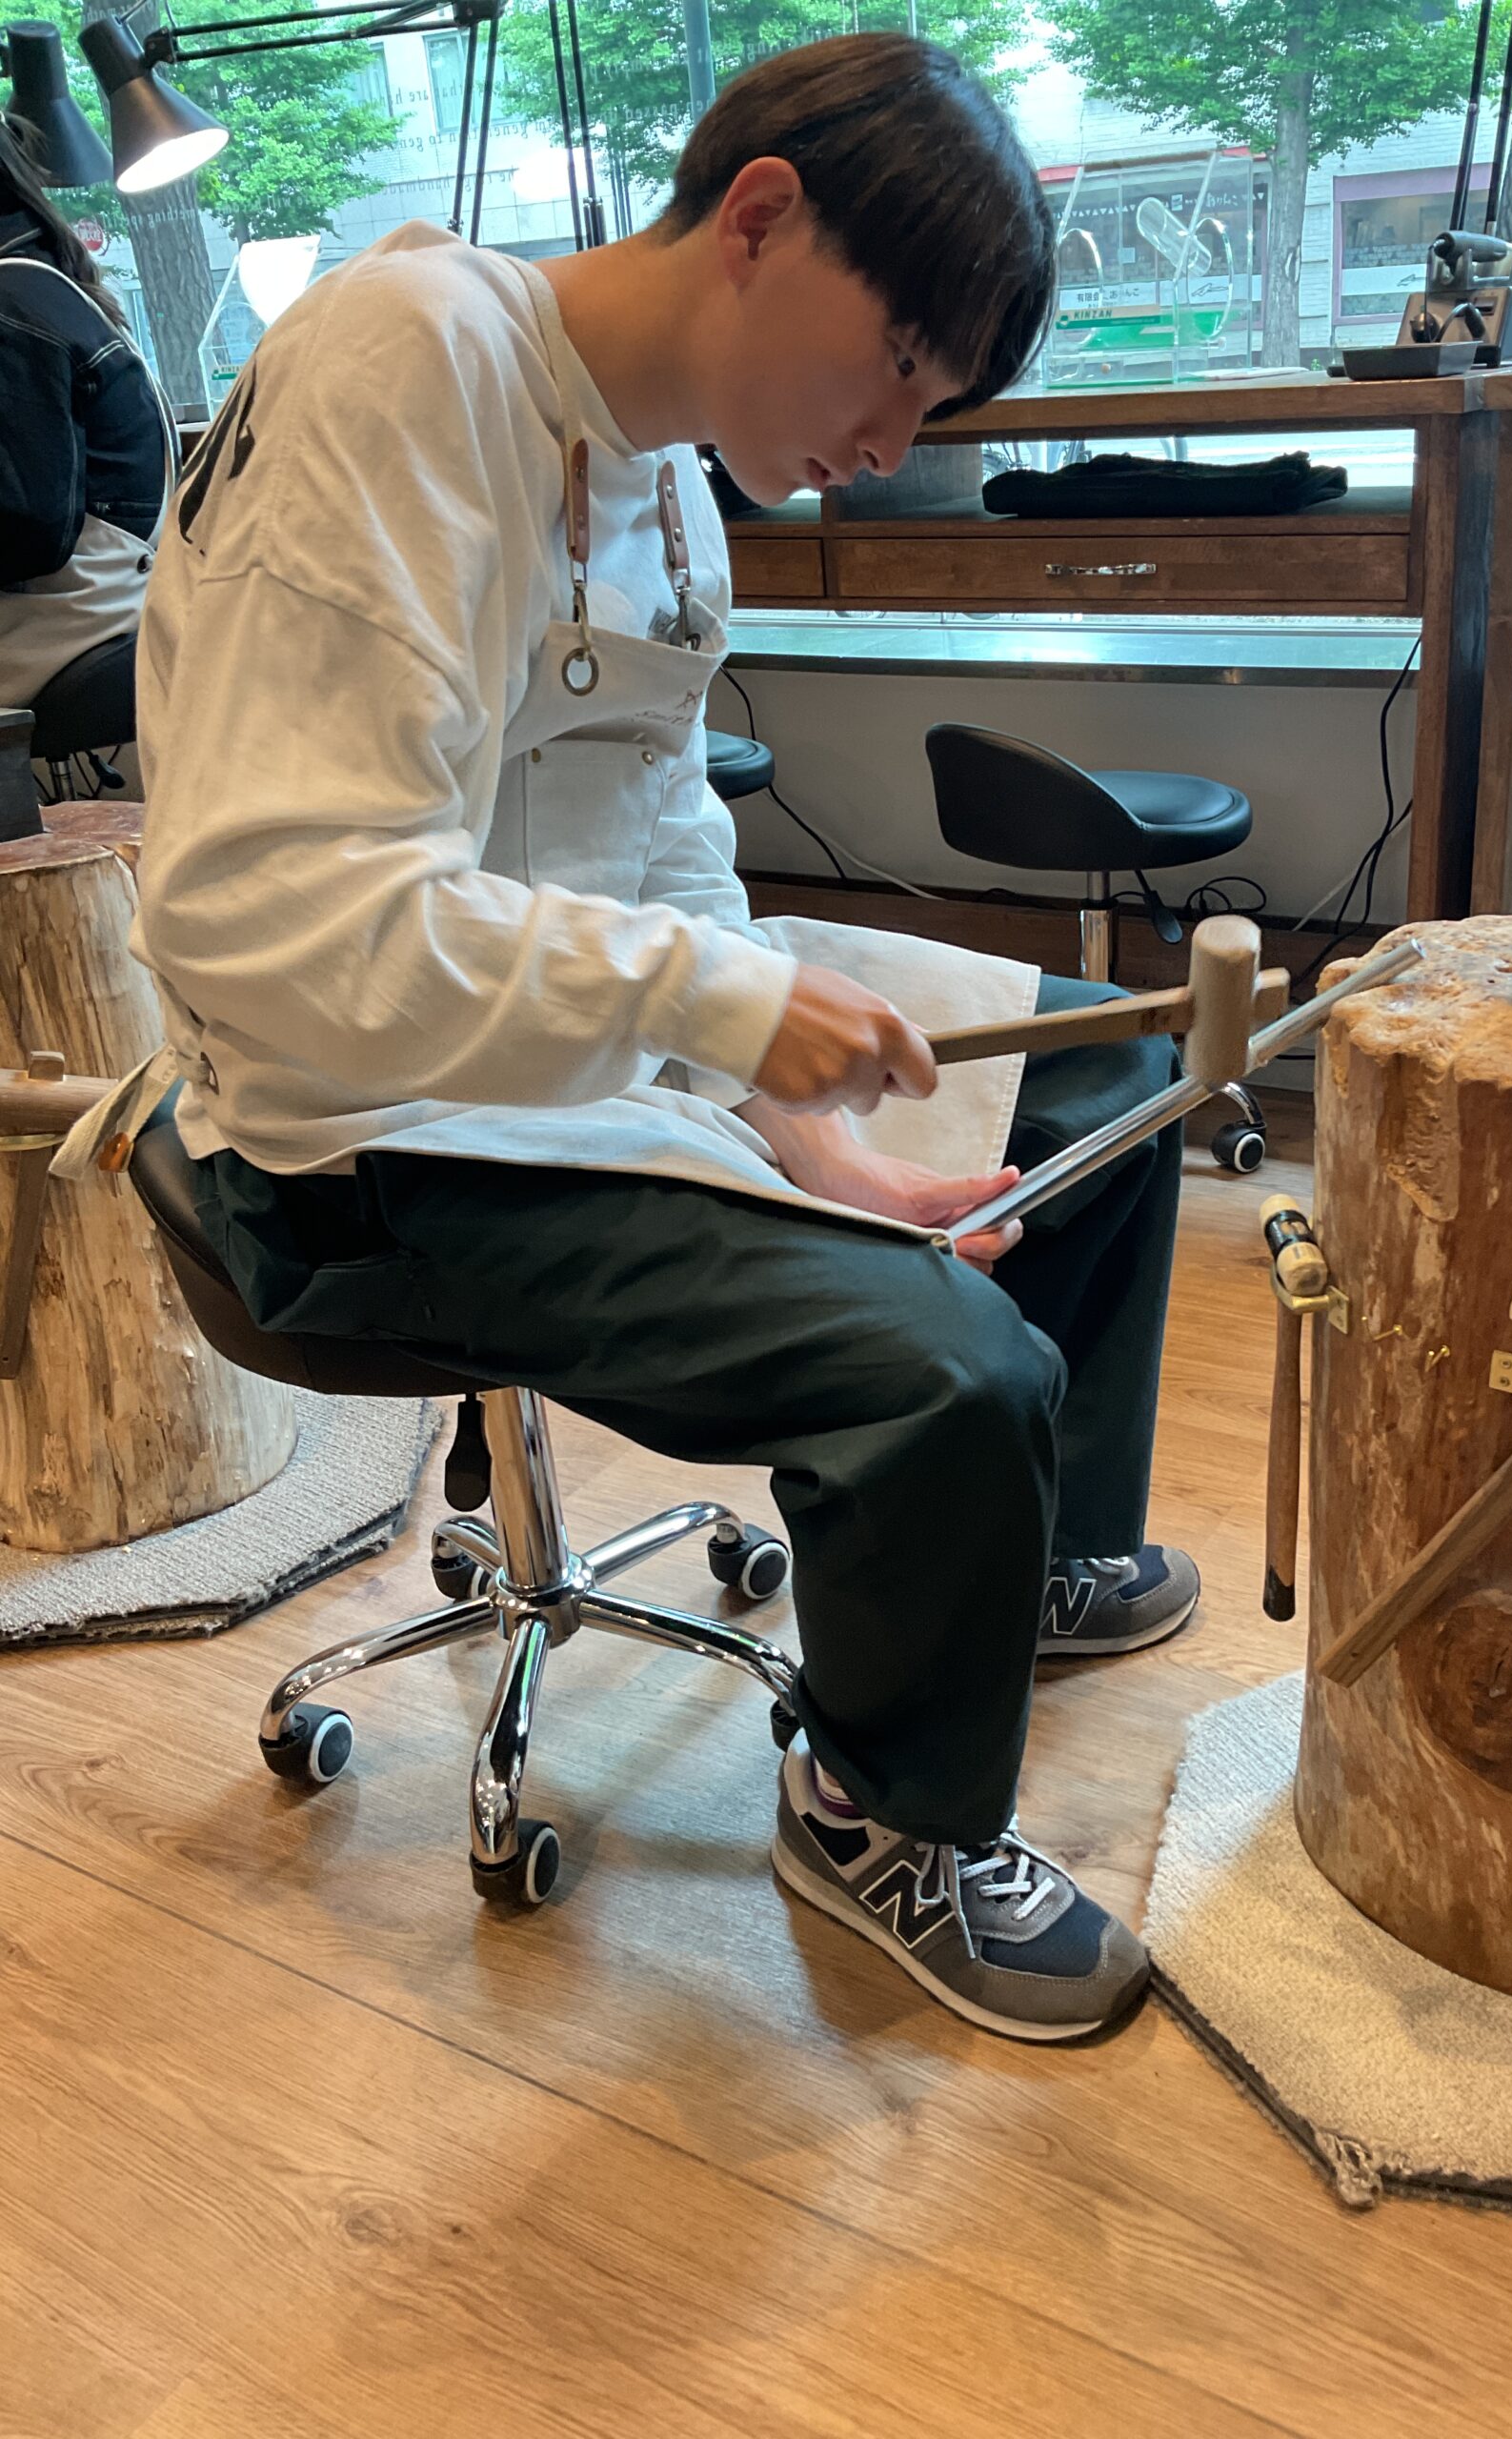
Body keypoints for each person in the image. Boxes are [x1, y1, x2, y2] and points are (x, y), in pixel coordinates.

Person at [114, 35, 1198, 2042]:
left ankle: (1022, 1559)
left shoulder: (676, 493)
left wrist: (807, 1132)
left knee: (1106, 1075)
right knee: (943, 1369)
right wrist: (718, 1013)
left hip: (577, 1054)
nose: (895, 438)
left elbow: (665, 847)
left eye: (935, 406)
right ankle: (879, 1808)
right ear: (761, 219)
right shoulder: (405, 364)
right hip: (362, 1139)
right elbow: (273, 916)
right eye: (899, 367)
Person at [0, 113, 172, 720]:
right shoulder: (39, 286)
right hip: (108, 610)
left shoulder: (11, 305)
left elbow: (30, 532)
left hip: (65, 631)